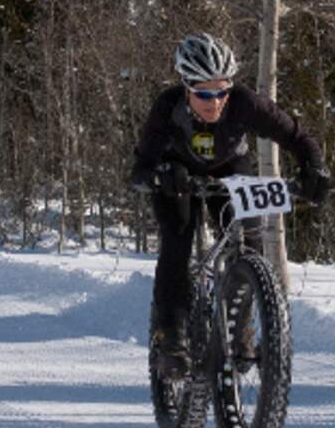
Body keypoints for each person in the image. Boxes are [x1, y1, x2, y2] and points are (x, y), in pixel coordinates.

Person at [131, 33, 330, 380]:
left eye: (222, 91)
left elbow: (297, 137)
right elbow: (140, 170)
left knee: (249, 243)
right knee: (177, 240)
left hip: (229, 172)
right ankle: (171, 336)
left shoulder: (245, 103)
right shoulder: (167, 107)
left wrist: (315, 168)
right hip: (177, 176)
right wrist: (160, 175)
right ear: (186, 87)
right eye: (204, 94)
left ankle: (240, 327)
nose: (215, 102)